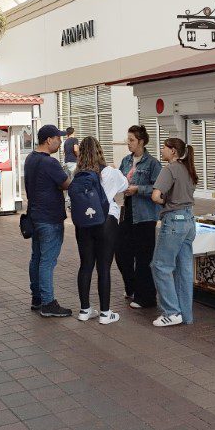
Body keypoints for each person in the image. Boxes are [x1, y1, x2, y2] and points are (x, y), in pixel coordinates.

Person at [70, 136, 128, 325]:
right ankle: (105, 313)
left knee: (85, 265)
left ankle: (85, 310)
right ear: (99, 151)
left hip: (83, 224)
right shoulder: (109, 172)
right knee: (104, 267)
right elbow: (125, 185)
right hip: (106, 222)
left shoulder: (76, 173)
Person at [25, 125, 72, 318]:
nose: (60, 142)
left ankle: (37, 297)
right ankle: (48, 302)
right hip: (50, 218)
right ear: (48, 140)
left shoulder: (30, 159)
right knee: (47, 261)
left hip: (34, 215)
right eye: (58, 139)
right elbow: (66, 183)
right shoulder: (50, 163)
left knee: (36, 257)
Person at [150, 138, 198, 327]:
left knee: (160, 266)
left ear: (173, 151)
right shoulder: (189, 169)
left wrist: (166, 202)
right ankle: (186, 315)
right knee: (184, 269)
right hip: (189, 221)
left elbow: (155, 196)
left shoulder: (169, 169)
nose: (162, 150)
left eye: (164, 147)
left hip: (174, 222)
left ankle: (171, 311)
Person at [117, 125, 162, 309]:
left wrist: (138, 189)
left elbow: (159, 188)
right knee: (121, 253)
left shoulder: (152, 163)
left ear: (141, 142)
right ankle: (132, 287)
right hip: (127, 212)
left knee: (144, 257)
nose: (128, 144)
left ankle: (146, 297)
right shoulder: (126, 161)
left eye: (132, 140)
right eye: (128, 140)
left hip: (145, 216)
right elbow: (119, 180)